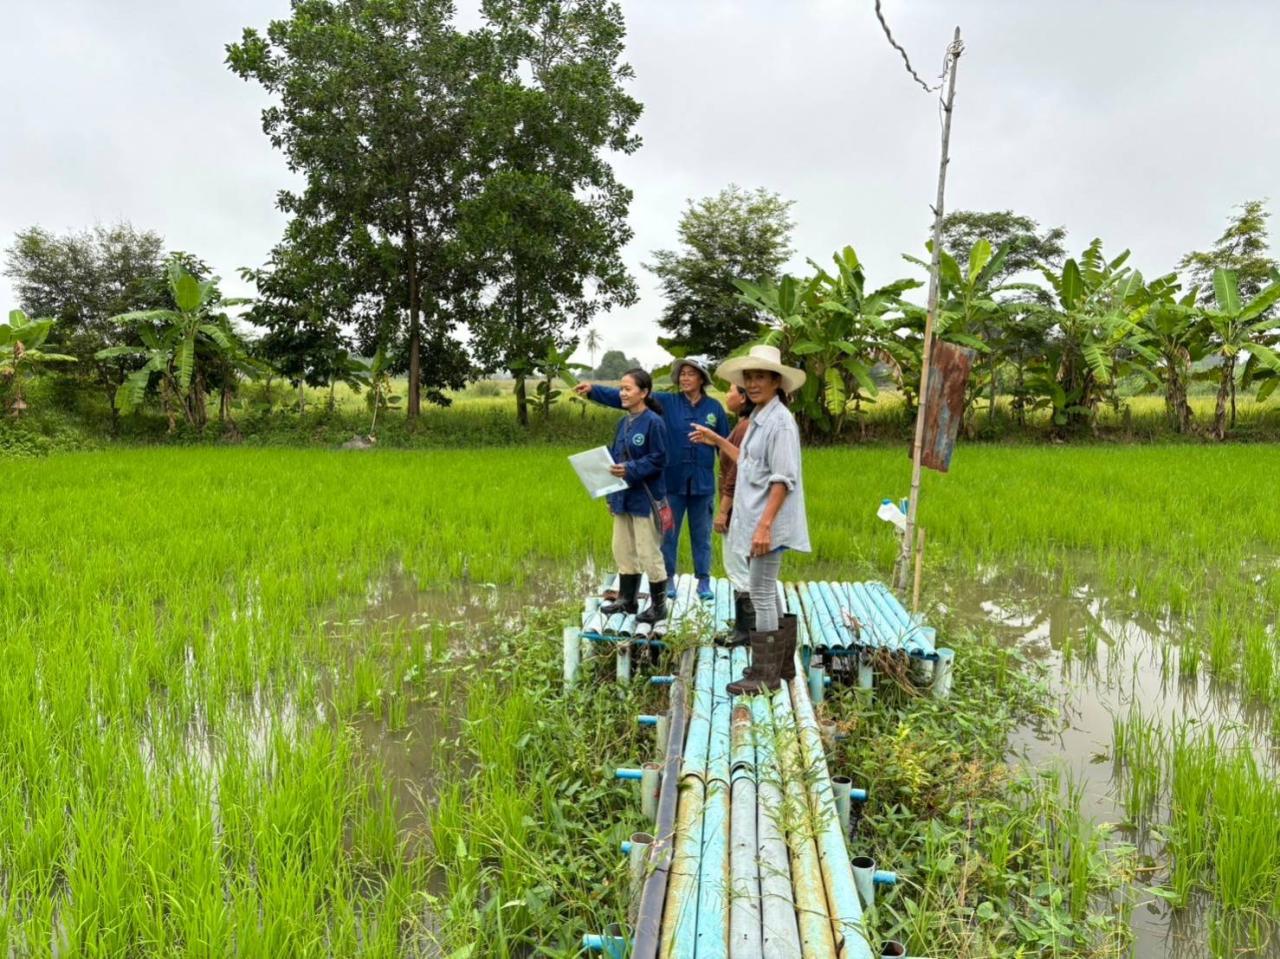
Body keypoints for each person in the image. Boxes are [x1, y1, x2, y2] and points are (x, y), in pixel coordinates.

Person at [576, 357, 728, 601]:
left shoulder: (715, 409)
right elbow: (628, 398)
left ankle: (704, 580)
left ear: (702, 379)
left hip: (702, 484)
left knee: (702, 535)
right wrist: (594, 392)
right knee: (667, 534)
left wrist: (728, 488)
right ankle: (667, 579)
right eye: (682, 374)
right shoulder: (667, 403)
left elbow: (725, 447)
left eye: (691, 374)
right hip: (672, 483)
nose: (685, 378)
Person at [711, 344, 809, 696]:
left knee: (762, 592)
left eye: (760, 377)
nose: (753, 383)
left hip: (768, 520)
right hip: (758, 518)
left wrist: (765, 525)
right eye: (749, 377)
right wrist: (718, 440)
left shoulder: (780, 422)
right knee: (767, 589)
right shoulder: (760, 417)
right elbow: (751, 464)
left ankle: (764, 674)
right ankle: (780, 666)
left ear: (776, 381)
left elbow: (783, 478)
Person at [596, 369, 670, 624]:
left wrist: (630, 469)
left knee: (648, 552)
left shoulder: (654, 422)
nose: (622, 393)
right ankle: (627, 600)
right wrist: (609, 496)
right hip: (623, 497)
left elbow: (659, 458)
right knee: (623, 550)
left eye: (628, 389)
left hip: (645, 498)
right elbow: (615, 459)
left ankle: (659, 606)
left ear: (644, 392)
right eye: (621, 388)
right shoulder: (623, 423)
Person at [689, 383, 754, 646]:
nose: (726, 396)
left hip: (737, 508)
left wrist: (723, 511)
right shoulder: (746, 426)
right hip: (743, 507)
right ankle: (747, 625)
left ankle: (745, 631)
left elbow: (735, 474)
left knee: (738, 567)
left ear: (743, 397)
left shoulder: (744, 428)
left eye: (730, 391)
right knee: (746, 567)